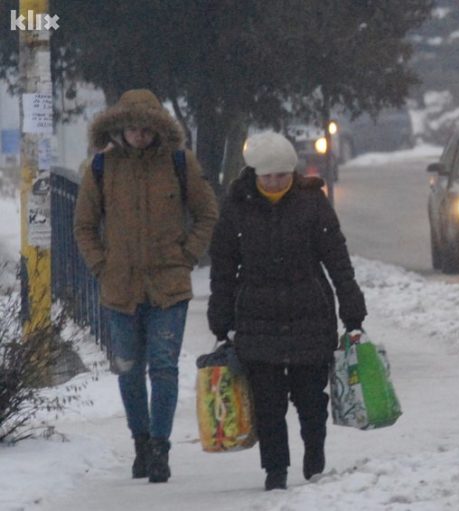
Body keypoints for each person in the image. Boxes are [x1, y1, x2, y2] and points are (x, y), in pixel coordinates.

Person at [206, 131, 367, 491]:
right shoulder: (236, 207)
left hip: (309, 313)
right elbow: (223, 268)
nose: (276, 182)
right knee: (268, 403)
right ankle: (275, 469)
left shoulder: (313, 203)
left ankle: (314, 453)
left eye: (282, 175)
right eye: (268, 176)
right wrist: (221, 321)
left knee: (311, 398)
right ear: (255, 174)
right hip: (256, 319)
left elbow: (337, 260)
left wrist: (352, 309)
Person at [74, 89, 219, 482]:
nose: (140, 135)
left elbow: (206, 212)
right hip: (119, 287)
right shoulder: (101, 167)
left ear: (158, 129)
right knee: (128, 370)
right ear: (120, 128)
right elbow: (84, 225)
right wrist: (101, 265)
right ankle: (140, 441)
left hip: (168, 285)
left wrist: (187, 255)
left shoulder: (178, 162)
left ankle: (160, 446)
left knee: (165, 368)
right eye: (133, 129)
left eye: (147, 129)